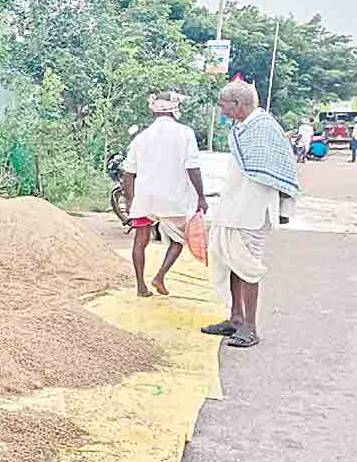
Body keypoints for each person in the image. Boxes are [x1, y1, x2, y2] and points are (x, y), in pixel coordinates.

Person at [201, 81, 298, 348]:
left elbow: (281, 171)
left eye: (224, 105)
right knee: (228, 260)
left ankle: (250, 328)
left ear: (239, 104)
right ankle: (235, 319)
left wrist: (284, 209)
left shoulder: (263, 127)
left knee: (246, 268)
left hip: (252, 211)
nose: (222, 109)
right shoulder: (244, 127)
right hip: (233, 208)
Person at [121, 91, 207, 297]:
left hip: (145, 198)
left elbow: (128, 174)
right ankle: (159, 277)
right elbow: (192, 167)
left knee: (140, 241)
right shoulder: (185, 133)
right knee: (178, 240)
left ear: (153, 111)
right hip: (173, 198)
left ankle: (141, 286)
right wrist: (201, 197)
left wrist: (131, 201)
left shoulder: (140, 138)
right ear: (174, 110)